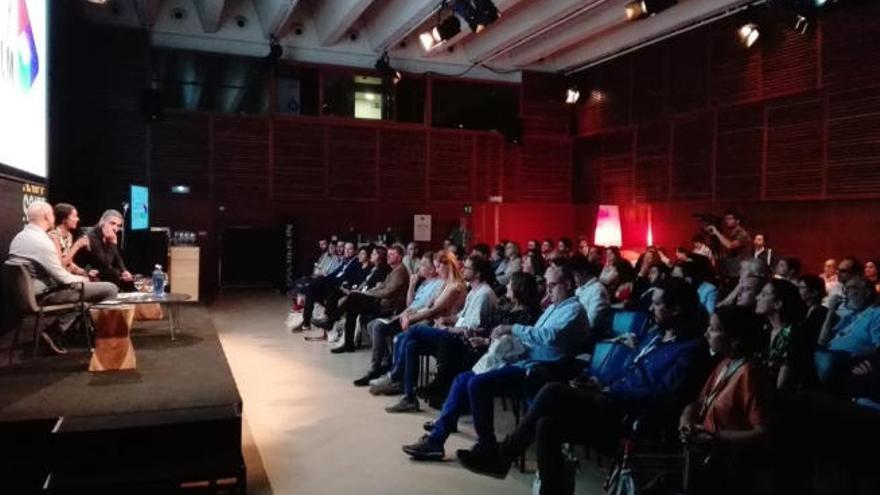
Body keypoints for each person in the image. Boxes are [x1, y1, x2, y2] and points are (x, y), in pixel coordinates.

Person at [455, 278, 706, 489]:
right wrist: (599, 382)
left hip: (634, 419)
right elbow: (629, 371)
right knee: (547, 425)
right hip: (612, 402)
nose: (650, 309)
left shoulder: (690, 350)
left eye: (657, 304)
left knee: (552, 391)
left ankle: (503, 456)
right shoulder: (655, 337)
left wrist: (610, 391)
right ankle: (516, 467)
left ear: (676, 309)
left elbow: (663, 396)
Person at [400, 264, 588, 460]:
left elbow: (548, 336)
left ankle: (486, 445)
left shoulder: (573, 309)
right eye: (547, 286)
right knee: (462, 379)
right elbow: (528, 339)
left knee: (476, 383)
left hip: (541, 370)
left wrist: (512, 329)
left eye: (552, 286)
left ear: (567, 284)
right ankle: (436, 440)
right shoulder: (554, 308)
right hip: (522, 361)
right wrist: (493, 340)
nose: (548, 290)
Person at [377, 255, 496, 410]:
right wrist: (447, 320)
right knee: (411, 344)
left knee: (415, 330)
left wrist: (447, 328)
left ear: (478, 273)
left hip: (462, 341)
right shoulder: (474, 290)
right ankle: (409, 397)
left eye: (467, 268)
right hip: (451, 334)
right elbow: (461, 317)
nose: (463, 269)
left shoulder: (483, 294)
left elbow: (472, 329)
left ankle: (394, 375)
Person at [679, 306, 771, 495]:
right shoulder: (725, 363)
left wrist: (715, 436)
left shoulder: (749, 374)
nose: (707, 334)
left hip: (730, 466)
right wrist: (686, 419)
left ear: (735, 338)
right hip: (706, 455)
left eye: (713, 329)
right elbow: (699, 402)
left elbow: (763, 433)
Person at [8, 202, 119, 354]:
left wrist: (81, 275)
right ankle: (105, 342)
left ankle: (57, 332)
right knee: (110, 289)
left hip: (27, 296)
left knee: (89, 289)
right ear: (47, 216)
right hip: (45, 295)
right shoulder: (42, 242)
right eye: (52, 214)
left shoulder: (19, 237)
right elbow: (62, 277)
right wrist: (84, 280)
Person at [353, 251, 454, 386]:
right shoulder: (424, 283)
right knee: (372, 324)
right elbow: (410, 303)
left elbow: (428, 307)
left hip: (418, 319)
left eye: (423, 265)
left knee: (378, 327)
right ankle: (386, 362)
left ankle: (377, 369)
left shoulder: (440, 284)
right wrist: (412, 285)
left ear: (431, 269)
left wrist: (408, 315)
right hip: (407, 314)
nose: (419, 268)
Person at [319, 245, 408, 353]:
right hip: (380, 301)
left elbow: (388, 292)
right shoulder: (394, 270)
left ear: (400, 257)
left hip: (388, 306)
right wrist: (369, 292)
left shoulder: (400, 271)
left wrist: (369, 294)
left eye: (392, 254)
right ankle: (348, 343)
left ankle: (331, 321)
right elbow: (382, 286)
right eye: (388, 254)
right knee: (352, 307)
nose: (388, 257)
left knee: (353, 298)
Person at [293, 242, 361, 332]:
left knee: (314, 285)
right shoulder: (345, 262)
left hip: (338, 286)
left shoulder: (355, 263)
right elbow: (333, 274)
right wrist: (325, 279)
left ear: (355, 251)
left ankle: (303, 294)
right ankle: (306, 322)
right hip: (331, 284)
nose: (346, 251)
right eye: (346, 249)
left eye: (350, 249)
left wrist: (326, 280)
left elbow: (348, 279)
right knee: (312, 289)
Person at [755, 279, 808, 390]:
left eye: (763, 294)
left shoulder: (793, 335)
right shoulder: (764, 329)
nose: (757, 297)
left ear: (778, 304)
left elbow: (782, 386)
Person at [74, 209, 134, 290]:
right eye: (112, 223)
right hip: (85, 271)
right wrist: (112, 243)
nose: (115, 228)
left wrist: (123, 270)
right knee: (113, 273)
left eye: (118, 226)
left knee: (127, 277)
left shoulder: (108, 234)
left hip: (100, 269)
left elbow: (116, 255)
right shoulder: (91, 236)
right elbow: (106, 263)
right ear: (102, 221)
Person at [705, 211, 751, 289]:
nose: (727, 221)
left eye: (730, 218)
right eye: (726, 219)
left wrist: (717, 232)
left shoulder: (742, 234)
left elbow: (730, 245)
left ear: (737, 221)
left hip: (739, 272)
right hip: (730, 271)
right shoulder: (730, 234)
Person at [47, 203, 90, 277]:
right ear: (64, 219)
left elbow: (69, 263)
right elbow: (60, 266)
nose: (78, 219)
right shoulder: (53, 236)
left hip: (67, 275)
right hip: (55, 278)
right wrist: (77, 245)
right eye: (74, 216)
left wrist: (85, 272)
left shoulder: (69, 236)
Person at [572, 254, 610, 334]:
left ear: (584, 272)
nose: (573, 279)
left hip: (589, 336)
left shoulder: (598, 291)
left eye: (574, 275)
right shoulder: (579, 289)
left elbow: (591, 322)